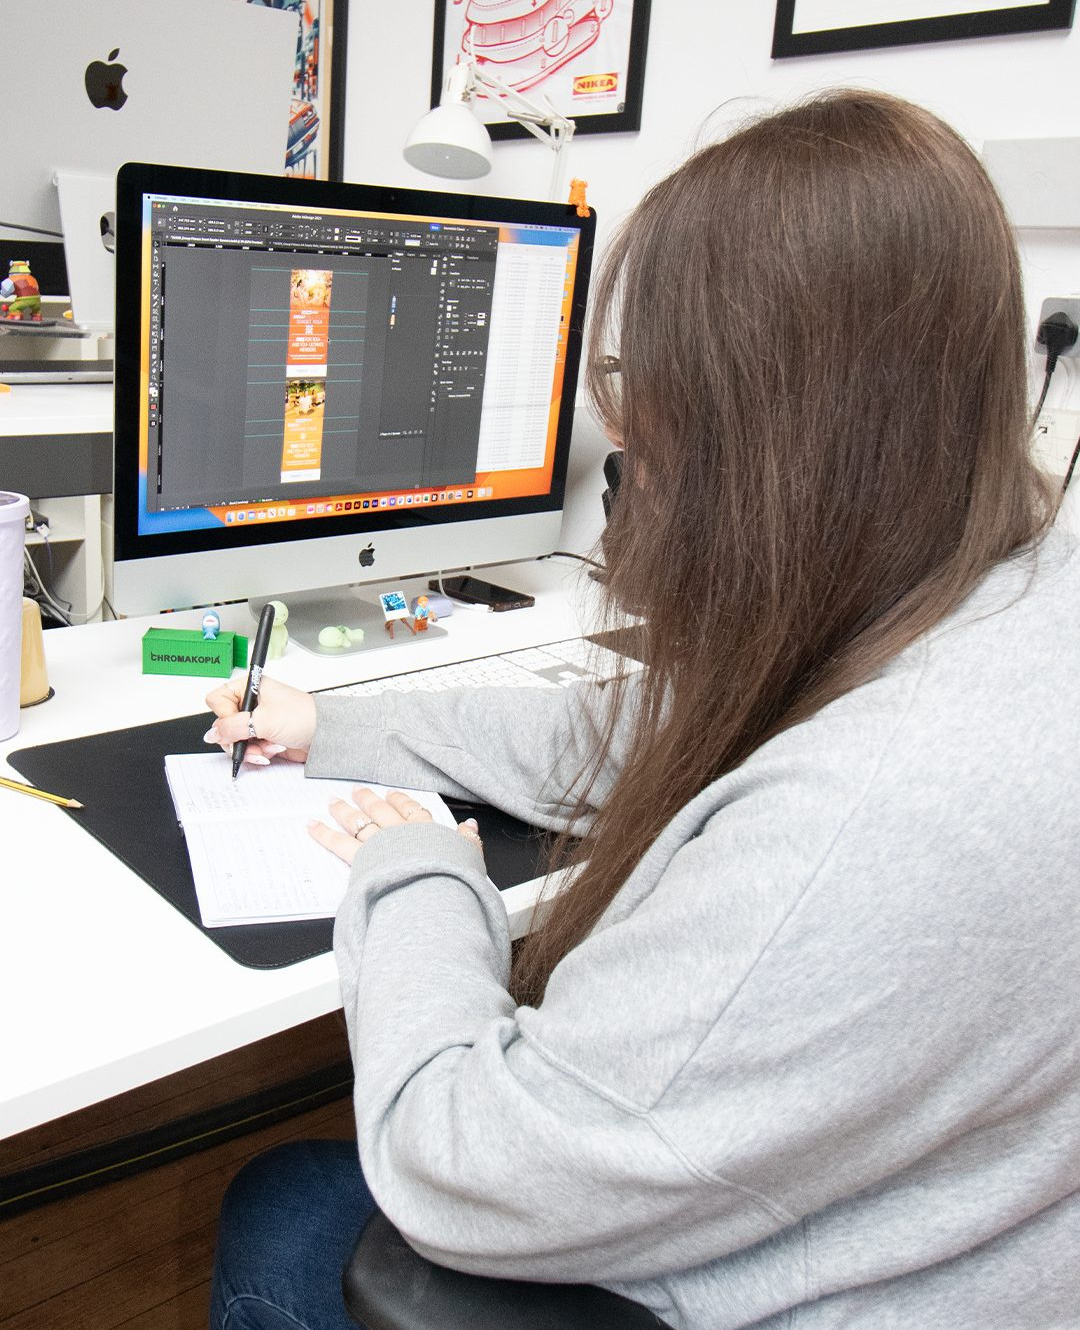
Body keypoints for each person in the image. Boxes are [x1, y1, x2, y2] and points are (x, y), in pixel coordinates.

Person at [205, 89, 1080, 1330]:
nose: (626, 442)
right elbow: (653, 737)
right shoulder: (1010, 592)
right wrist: (340, 729)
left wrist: (418, 873)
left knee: (285, 1210)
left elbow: (454, 1163)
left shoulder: (866, 827)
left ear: (756, 432)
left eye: (643, 395)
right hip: (950, 1219)